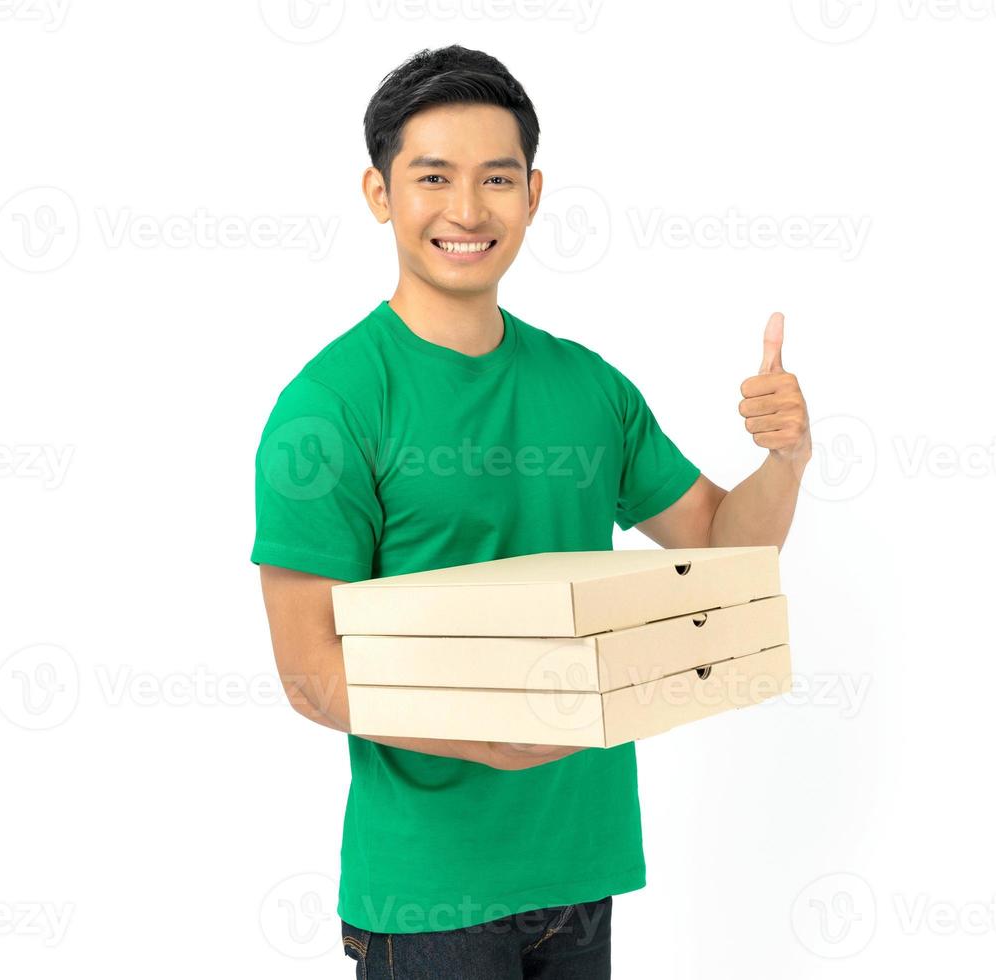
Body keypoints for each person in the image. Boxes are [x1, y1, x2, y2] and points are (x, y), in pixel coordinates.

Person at [251, 44, 812, 979]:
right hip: (426, 896)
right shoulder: (330, 409)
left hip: (580, 871)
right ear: (380, 192)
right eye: (434, 177)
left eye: (496, 179)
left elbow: (720, 550)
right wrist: (491, 738)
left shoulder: (588, 388)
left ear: (535, 194)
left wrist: (784, 459)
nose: (467, 211)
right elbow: (310, 672)